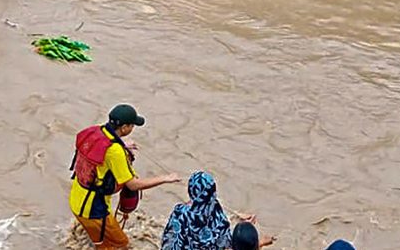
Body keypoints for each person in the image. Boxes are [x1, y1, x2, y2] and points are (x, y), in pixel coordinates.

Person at [71, 105, 180, 250]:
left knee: (101, 241)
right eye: (132, 125)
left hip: (77, 198)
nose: (133, 128)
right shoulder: (115, 151)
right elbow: (132, 185)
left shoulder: (97, 132)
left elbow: (102, 149)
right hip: (92, 209)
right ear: (124, 128)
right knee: (120, 244)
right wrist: (166, 178)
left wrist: (122, 145)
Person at [160, 172, 276, 250]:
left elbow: (170, 238)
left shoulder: (180, 212)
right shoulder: (217, 215)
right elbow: (231, 243)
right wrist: (247, 231)